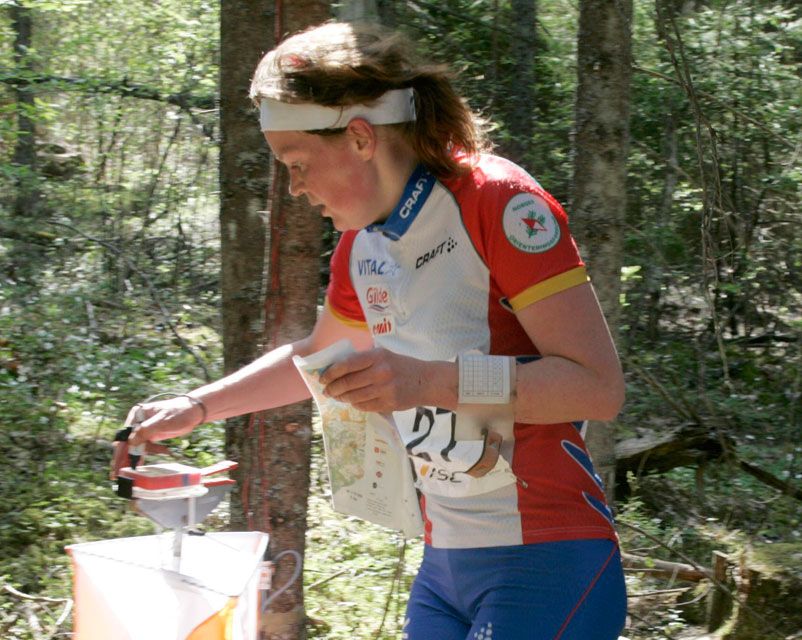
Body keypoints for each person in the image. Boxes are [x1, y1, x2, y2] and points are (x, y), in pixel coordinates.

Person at [114, 21, 627, 639]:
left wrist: (428, 381)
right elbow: (318, 358)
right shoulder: (361, 246)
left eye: (297, 163)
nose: (294, 188)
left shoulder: (498, 200)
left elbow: (596, 386)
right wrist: (196, 407)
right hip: (445, 564)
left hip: (547, 556)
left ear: (360, 137)